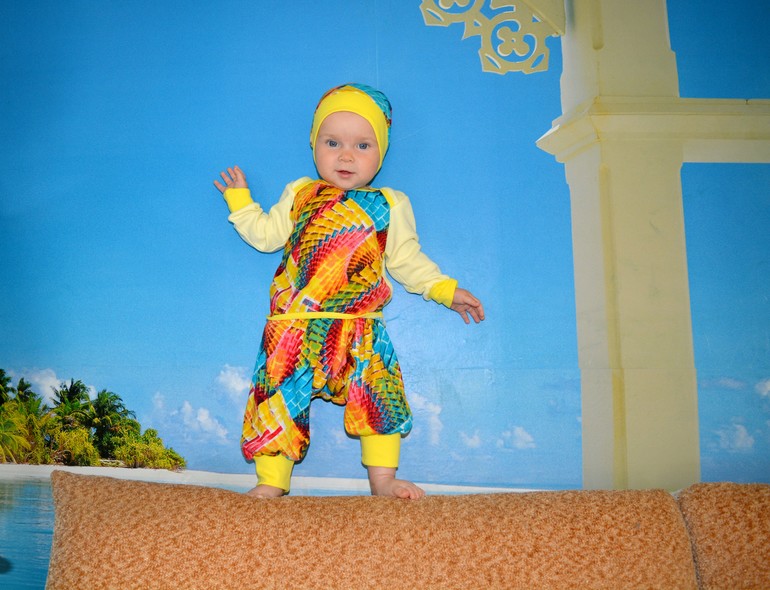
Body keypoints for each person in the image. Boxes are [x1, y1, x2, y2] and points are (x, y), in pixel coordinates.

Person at [214, 83, 484, 500]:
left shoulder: (390, 203)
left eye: (362, 145)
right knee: (277, 401)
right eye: (332, 142)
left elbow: (406, 259)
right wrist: (241, 202)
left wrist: (445, 290)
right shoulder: (300, 193)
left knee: (380, 396)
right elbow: (267, 235)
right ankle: (271, 481)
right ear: (314, 146)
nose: (345, 155)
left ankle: (383, 480)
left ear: (380, 155)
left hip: (360, 328)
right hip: (294, 327)